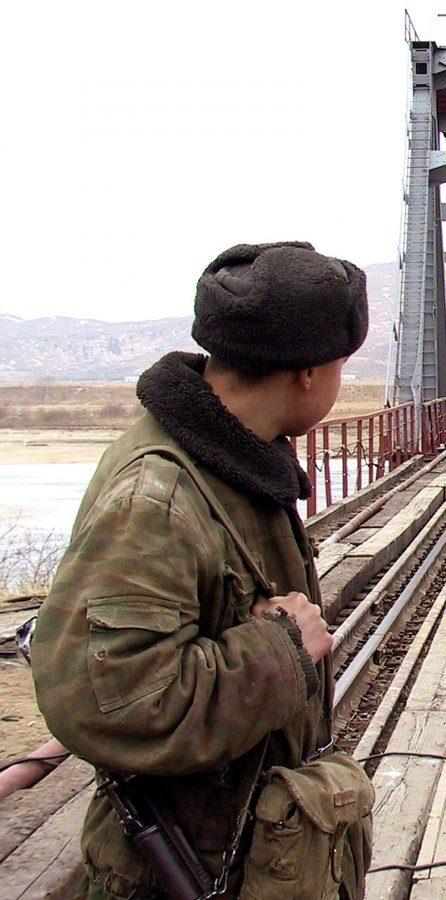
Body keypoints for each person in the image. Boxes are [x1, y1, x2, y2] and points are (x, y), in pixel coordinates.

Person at [32, 242, 374, 898]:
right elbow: (109, 702)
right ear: (307, 373)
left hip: (237, 853)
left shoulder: (233, 462)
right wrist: (280, 653)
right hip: (173, 873)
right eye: (339, 366)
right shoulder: (156, 497)